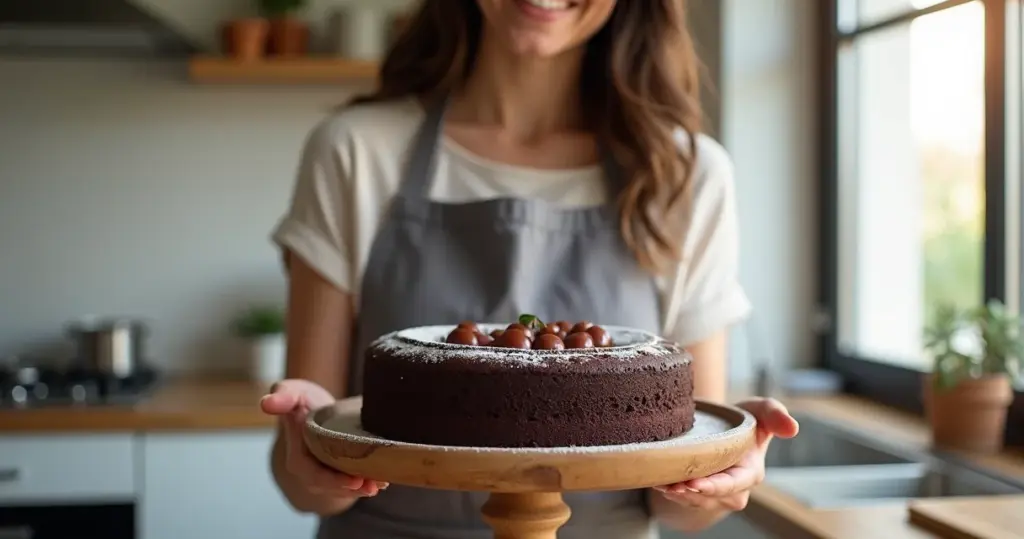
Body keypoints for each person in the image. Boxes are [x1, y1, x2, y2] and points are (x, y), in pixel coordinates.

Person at [261, 0, 799, 537]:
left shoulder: (685, 176)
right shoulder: (354, 152)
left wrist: (724, 472)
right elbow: (305, 483)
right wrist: (310, 452)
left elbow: (684, 508)